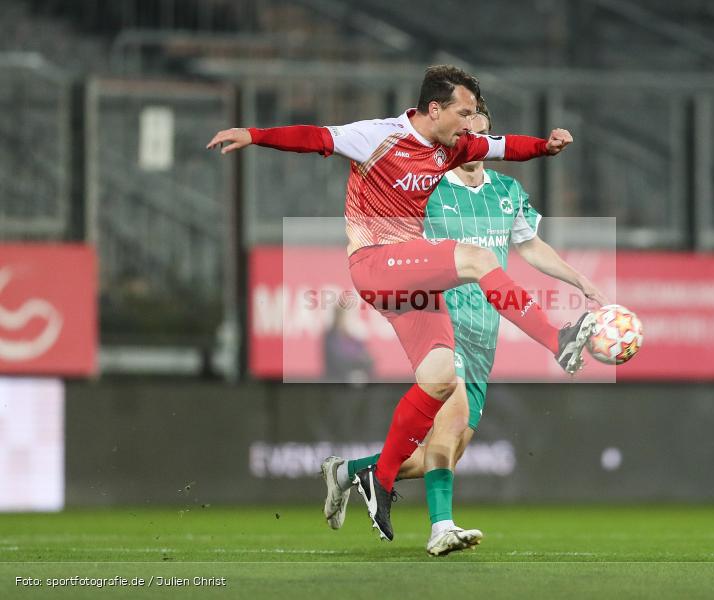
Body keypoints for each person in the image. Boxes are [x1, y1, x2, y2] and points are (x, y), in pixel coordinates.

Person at [208, 65, 598, 542]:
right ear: (434, 109)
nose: (471, 124)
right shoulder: (377, 136)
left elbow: (507, 148)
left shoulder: (453, 148)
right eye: (464, 112)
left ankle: (370, 476)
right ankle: (557, 339)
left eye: (475, 115)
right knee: (474, 257)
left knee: (438, 380)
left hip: (409, 284)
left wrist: (546, 147)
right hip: (374, 261)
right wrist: (254, 134)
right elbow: (314, 137)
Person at [322, 100, 607, 555]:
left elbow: (531, 248)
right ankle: (442, 528)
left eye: (478, 131)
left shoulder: (507, 191)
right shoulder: (431, 186)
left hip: (484, 332)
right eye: (462, 129)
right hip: (442, 316)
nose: (467, 139)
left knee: (444, 452)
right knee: (449, 424)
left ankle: (350, 472)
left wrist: (579, 280)